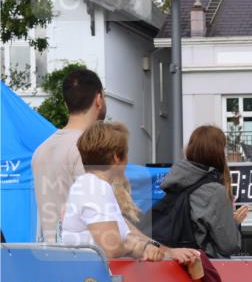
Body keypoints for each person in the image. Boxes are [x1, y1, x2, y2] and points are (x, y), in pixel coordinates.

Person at [58, 121, 198, 267]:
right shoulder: (95, 187)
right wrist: (138, 248)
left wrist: (169, 252)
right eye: (126, 153)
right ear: (116, 158)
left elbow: (131, 233)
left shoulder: (90, 184)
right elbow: (112, 247)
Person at [33, 68, 107, 242]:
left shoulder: (40, 151)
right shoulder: (89, 150)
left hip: (48, 253)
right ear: (99, 100)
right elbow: (102, 217)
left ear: (66, 105)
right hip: (85, 255)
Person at [157, 126, 247, 257]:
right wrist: (234, 223)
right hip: (198, 265)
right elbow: (229, 246)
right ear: (217, 153)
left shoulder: (175, 181)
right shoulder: (215, 192)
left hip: (170, 261)